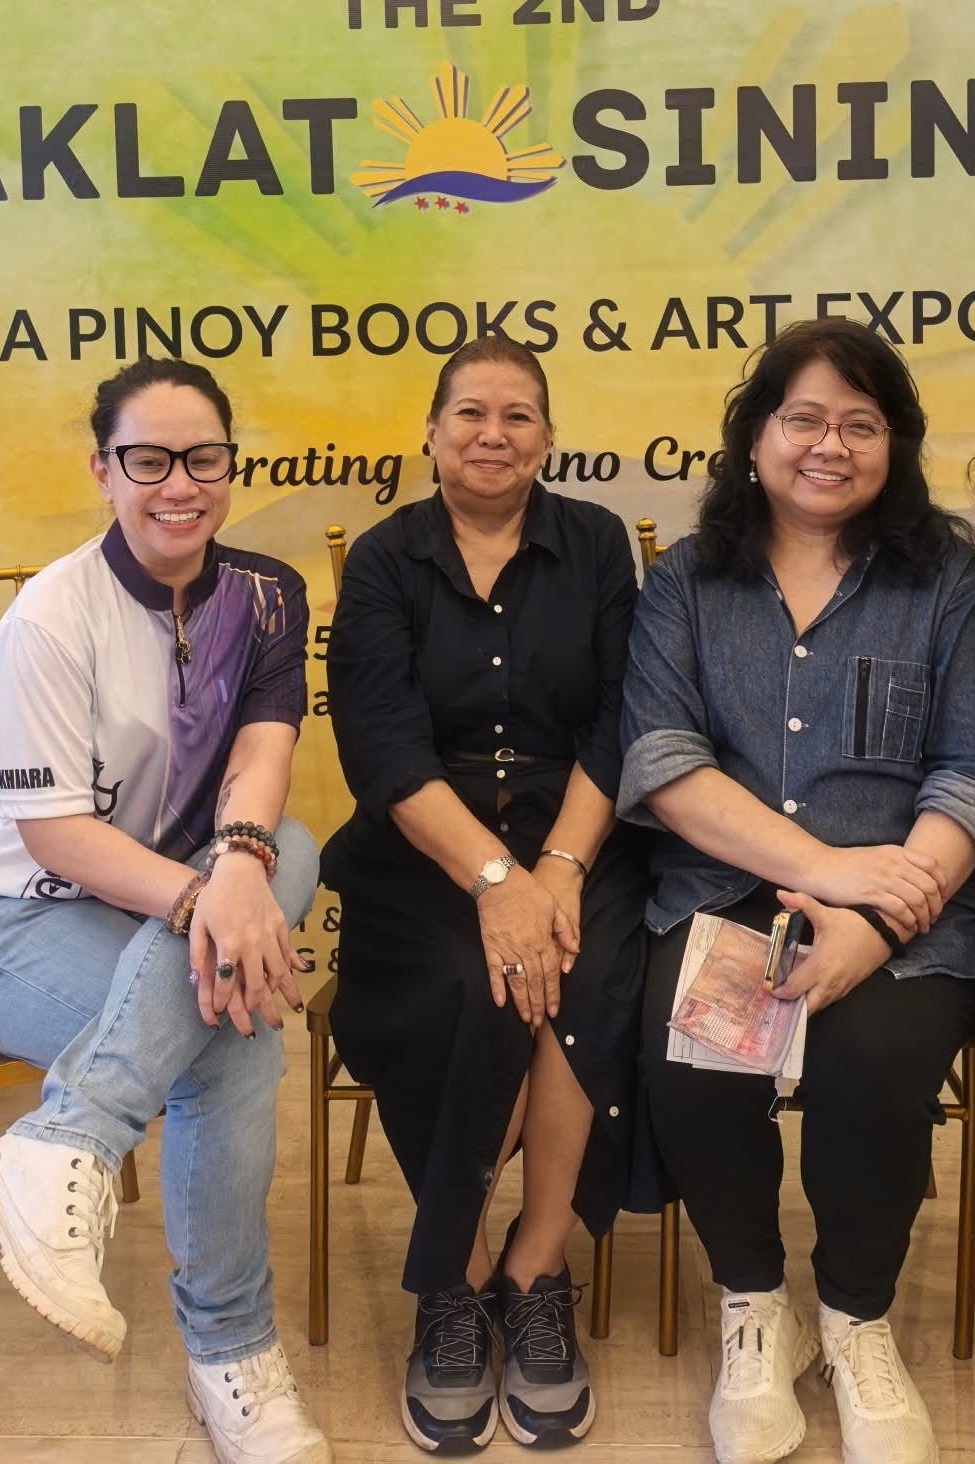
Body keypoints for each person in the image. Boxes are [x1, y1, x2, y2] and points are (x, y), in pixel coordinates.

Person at [620, 319, 975, 1464]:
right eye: (803, 418)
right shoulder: (687, 578)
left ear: (894, 444)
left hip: (915, 903)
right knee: (690, 1049)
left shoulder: (947, 578)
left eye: (861, 422)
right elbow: (664, 762)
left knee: (874, 1059)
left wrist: (879, 916)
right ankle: (756, 1301)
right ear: (755, 437)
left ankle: (854, 1313)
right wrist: (823, 870)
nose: (829, 444)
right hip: (732, 884)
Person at [0, 356, 330, 1464]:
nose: (179, 484)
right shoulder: (48, 616)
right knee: (233, 1044)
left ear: (230, 467)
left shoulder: (265, 593)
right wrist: (214, 896)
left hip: (162, 903)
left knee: (296, 844)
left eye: (203, 458)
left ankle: (60, 1142)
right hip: (18, 921)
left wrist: (240, 864)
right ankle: (230, 1351)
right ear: (103, 469)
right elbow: (57, 839)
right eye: (147, 459)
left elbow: (265, 749)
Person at [321, 335, 650, 1452]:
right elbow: (382, 747)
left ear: (549, 437)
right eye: (470, 413)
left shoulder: (596, 543)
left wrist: (556, 867)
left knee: (590, 980)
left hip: (577, 835)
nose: (493, 434)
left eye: (518, 415)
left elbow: (621, 722)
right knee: (472, 986)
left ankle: (528, 1266)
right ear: (430, 432)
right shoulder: (384, 560)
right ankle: (456, 1283)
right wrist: (495, 879)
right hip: (426, 851)